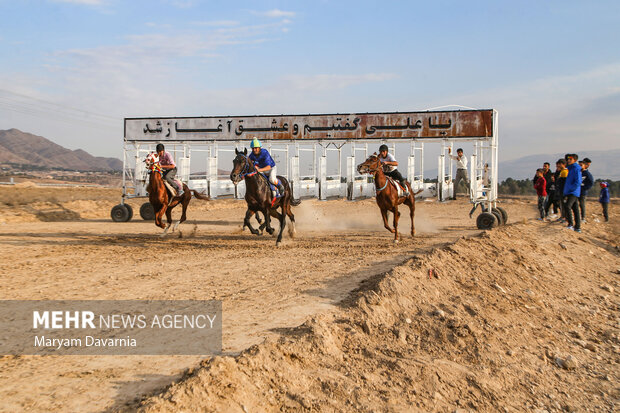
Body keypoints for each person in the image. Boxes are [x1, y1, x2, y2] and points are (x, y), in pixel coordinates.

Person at [563, 153, 582, 232]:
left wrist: (571, 189)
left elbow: (578, 181)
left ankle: (570, 224)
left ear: (575, 160)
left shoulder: (576, 169)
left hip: (573, 192)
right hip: (569, 191)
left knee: (567, 206)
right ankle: (577, 227)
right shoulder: (570, 169)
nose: (569, 160)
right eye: (568, 159)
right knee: (575, 209)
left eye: (570, 159)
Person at [578, 158, 593, 222]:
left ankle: (583, 217)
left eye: (581, 165)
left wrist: (584, 188)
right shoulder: (577, 172)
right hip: (575, 192)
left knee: (582, 205)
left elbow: (590, 183)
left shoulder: (587, 174)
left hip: (582, 192)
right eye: (579, 165)